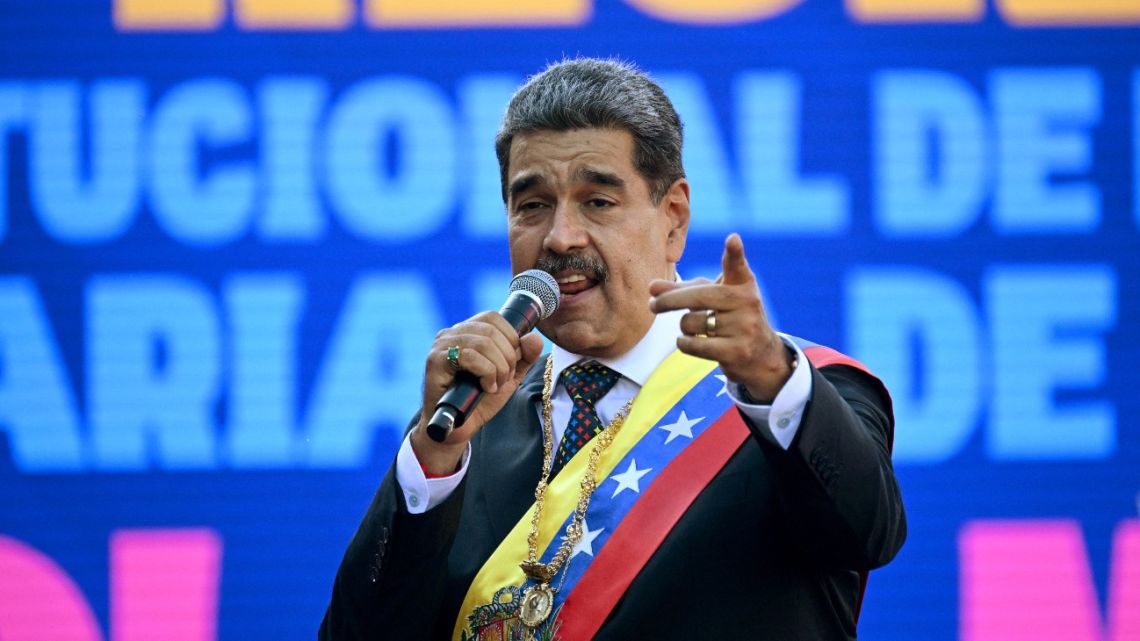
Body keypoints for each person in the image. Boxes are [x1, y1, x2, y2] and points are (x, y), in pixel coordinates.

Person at [319, 58, 905, 641]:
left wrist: (772, 375)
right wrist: (432, 458)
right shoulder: (467, 424)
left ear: (673, 219)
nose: (559, 236)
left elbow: (866, 534)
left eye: (598, 201)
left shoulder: (786, 400)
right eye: (532, 205)